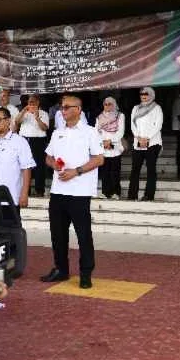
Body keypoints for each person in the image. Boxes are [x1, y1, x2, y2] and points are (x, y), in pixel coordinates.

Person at [42, 95, 104, 289]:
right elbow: (48, 157)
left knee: (83, 234)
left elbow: (99, 159)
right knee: (57, 234)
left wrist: (75, 171)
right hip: (58, 190)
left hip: (80, 192)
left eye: (67, 107)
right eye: (62, 107)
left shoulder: (90, 132)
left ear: (78, 109)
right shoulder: (57, 132)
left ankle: (86, 273)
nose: (63, 110)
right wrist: (55, 164)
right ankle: (61, 269)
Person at [127, 87, 164, 202]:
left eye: (146, 93)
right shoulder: (136, 108)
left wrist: (147, 138)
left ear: (151, 95)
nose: (143, 95)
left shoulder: (157, 108)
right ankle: (132, 195)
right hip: (138, 142)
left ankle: (149, 195)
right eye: (142, 93)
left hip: (153, 143)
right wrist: (139, 137)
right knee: (135, 170)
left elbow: (158, 125)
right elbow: (133, 124)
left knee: (151, 170)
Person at [15, 93, 50, 197]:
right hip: (24, 140)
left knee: (39, 166)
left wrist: (37, 117)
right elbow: (17, 121)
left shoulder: (43, 113)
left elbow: (45, 128)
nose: (31, 104)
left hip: (38, 141)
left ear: (38, 103)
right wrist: (23, 110)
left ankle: (40, 190)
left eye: (33, 102)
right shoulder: (24, 113)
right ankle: (26, 191)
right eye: (29, 102)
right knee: (24, 164)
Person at [95, 96, 125, 200]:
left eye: (110, 104)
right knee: (105, 172)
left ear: (114, 104)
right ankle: (105, 192)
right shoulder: (99, 117)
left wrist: (110, 141)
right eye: (105, 104)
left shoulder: (120, 116)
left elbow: (121, 131)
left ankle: (116, 192)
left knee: (115, 171)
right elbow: (96, 132)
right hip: (104, 148)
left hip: (115, 147)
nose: (107, 106)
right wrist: (103, 142)